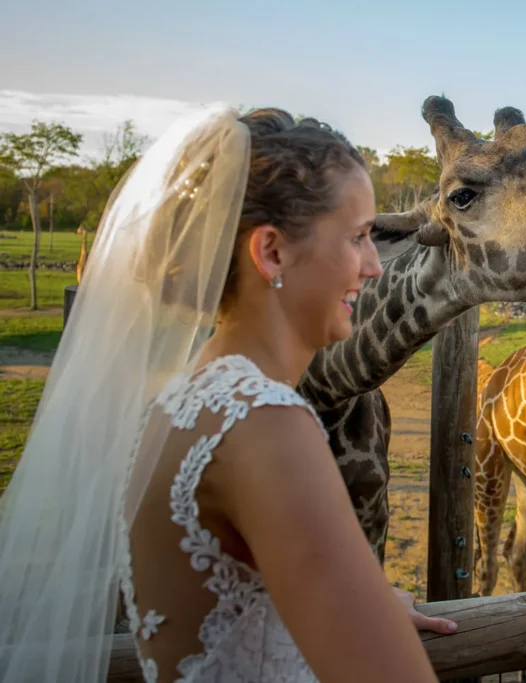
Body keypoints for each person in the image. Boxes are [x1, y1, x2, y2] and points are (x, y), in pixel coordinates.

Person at [0, 105, 452, 682]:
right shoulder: (265, 422)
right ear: (270, 253)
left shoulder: (177, 407)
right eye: (359, 237)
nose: (374, 266)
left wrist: (358, 608)